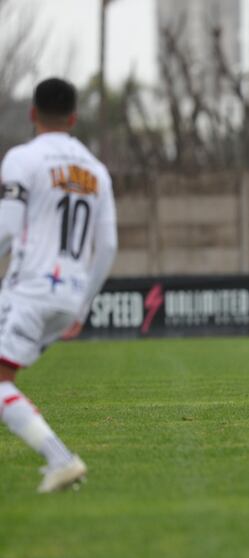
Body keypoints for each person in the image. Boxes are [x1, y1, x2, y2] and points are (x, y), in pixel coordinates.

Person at [0, 78, 118, 491]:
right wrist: (82, 306)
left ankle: (61, 459)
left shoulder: (23, 159)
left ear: (32, 113)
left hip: (28, 290)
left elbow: (7, 229)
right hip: (68, 297)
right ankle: (59, 460)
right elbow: (108, 246)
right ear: (73, 118)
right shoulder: (96, 171)